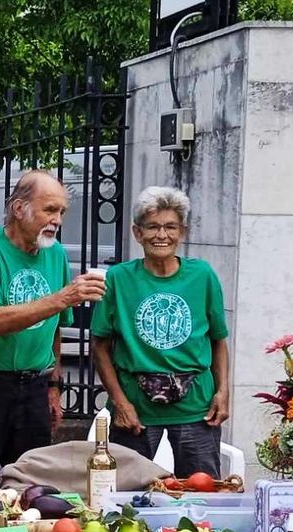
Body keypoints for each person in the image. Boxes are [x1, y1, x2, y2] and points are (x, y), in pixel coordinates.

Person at [0, 170, 106, 496]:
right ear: (19, 208)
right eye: (49, 210)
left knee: (33, 491)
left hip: (33, 385)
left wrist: (54, 385)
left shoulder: (55, 253)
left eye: (61, 212)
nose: (57, 220)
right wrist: (63, 297)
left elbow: (55, 327)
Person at [91, 186, 230, 477]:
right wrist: (120, 402)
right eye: (152, 227)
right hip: (136, 409)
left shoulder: (202, 276)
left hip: (196, 407)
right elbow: (100, 346)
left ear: (183, 231)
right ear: (137, 233)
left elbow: (217, 340)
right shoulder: (118, 279)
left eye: (170, 227)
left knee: (201, 494)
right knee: (127, 494)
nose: (161, 235)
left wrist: (222, 391)